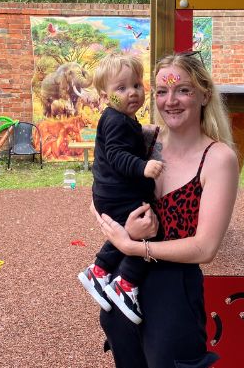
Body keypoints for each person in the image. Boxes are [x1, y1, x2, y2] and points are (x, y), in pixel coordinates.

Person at [94, 52, 240, 368]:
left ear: (204, 94)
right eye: (162, 91)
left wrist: (133, 245)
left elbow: (205, 248)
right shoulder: (147, 144)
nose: (170, 101)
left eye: (183, 90)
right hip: (123, 290)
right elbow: (102, 193)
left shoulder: (218, 159)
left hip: (172, 298)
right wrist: (120, 230)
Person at [78, 53, 165, 325]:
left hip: (110, 192)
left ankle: (99, 270)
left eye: (137, 85)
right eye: (122, 88)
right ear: (105, 94)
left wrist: (141, 132)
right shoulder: (116, 119)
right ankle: (125, 285)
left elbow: (123, 141)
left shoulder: (121, 118)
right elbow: (116, 154)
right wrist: (143, 167)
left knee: (130, 229)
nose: (132, 93)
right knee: (149, 227)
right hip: (117, 193)